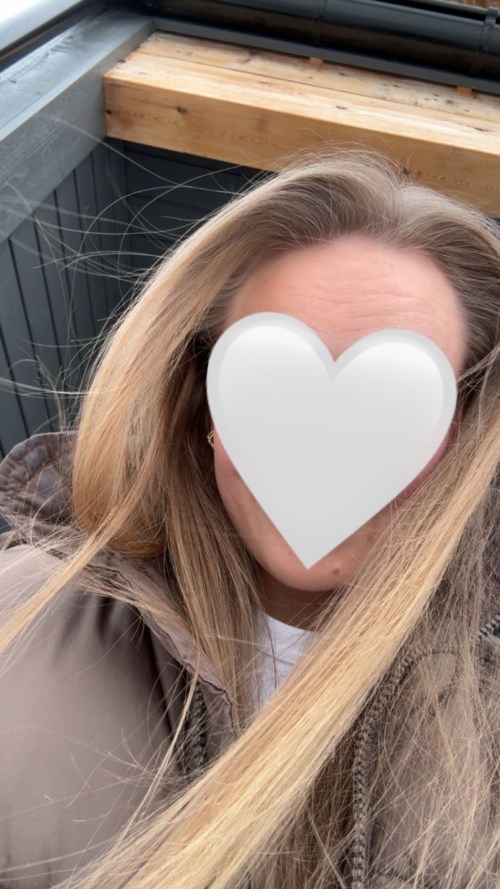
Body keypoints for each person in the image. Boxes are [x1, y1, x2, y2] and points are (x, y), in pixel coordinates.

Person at [0, 147, 498, 889]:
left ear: (460, 438)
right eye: (271, 390)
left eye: (395, 410)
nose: (324, 461)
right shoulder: (19, 619)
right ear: (203, 403)